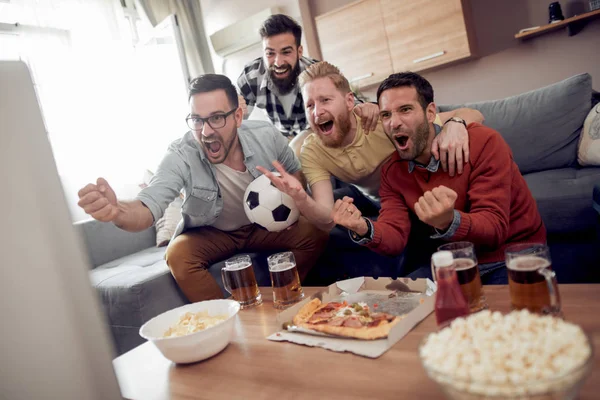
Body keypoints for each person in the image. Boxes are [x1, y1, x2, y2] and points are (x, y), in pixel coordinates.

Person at [77, 74, 328, 303]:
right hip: (212, 233)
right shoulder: (181, 154)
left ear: (237, 117)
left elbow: (294, 171)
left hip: (261, 227)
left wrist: (295, 207)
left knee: (317, 230)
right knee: (178, 255)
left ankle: (281, 297)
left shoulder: (265, 135)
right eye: (197, 120)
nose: (206, 131)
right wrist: (117, 210)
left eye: (217, 118)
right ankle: (225, 319)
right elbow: (147, 206)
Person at [331, 72, 546, 284]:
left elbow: (494, 229)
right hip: (454, 263)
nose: (394, 123)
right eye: (386, 115)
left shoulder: (484, 142)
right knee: (400, 301)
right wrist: (363, 227)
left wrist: (449, 221)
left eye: (405, 110)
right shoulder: (392, 170)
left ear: (430, 112)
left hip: (512, 256)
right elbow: (395, 236)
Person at [236, 14, 380, 146]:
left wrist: (368, 107)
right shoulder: (252, 76)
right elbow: (236, 120)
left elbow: (349, 104)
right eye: (270, 53)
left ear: (299, 51)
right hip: (283, 144)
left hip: (318, 140)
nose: (278, 62)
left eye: (286, 52)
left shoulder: (316, 73)